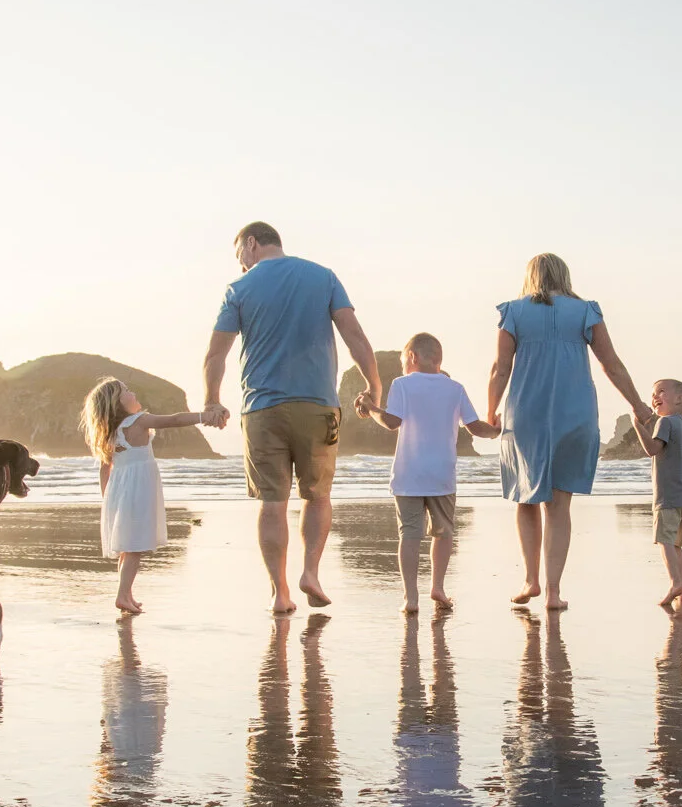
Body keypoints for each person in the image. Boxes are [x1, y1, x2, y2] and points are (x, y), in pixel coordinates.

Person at [203, 221, 382, 614]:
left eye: (240, 256)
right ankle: (311, 573)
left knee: (272, 502)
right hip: (317, 405)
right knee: (317, 496)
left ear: (252, 244)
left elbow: (217, 354)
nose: (242, 266)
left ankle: (279, 593)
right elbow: (354, 335)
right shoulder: (323, 276)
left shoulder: (239, 289)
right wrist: (374, 386)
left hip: (262, 408)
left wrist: (212, 399)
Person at [486, 253, 651, 611]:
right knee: (559, 506)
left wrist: (490, 411)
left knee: (526, 499)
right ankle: (553, 592)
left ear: (530, 277)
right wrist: (637, 404)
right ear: (565, 275)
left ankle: (531, 580)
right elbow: (612, 365)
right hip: (574, 414)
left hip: (526, 414)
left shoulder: (513, 312)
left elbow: (501, 368)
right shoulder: (586, 311)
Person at [356, 332, 501, 612]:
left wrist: (370, 407)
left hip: (408, 475)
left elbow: (391, 422)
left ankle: (411, 598)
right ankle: (438, 588)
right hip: (442, 477)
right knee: (443, 533)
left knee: (409, 535)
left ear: (412, 357)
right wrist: (495, 431)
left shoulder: (401, 385)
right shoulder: (455, 388)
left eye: (403, 361)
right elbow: (474, 427)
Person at [81, 377, 211, 615]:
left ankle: (127, 594)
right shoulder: (138, 421)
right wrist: (203, 416)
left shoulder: (110, 433)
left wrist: (106, 501)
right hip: (138, 490)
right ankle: (122, 595)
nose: (133, 393)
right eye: (127, 391)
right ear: (116, 403)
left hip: (118, 493)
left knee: (126, 547)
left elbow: (104, 469)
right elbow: (174, 420)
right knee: (134, 547)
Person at [628, 378, 682, 610]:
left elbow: (652, 449)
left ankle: (675, 583)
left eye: (661, 392)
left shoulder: (665, 423)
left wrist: (636, 424)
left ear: (679, 399)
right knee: (676, 542)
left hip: (668, 495)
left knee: (665, 541)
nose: (655, 397)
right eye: (653, 394)